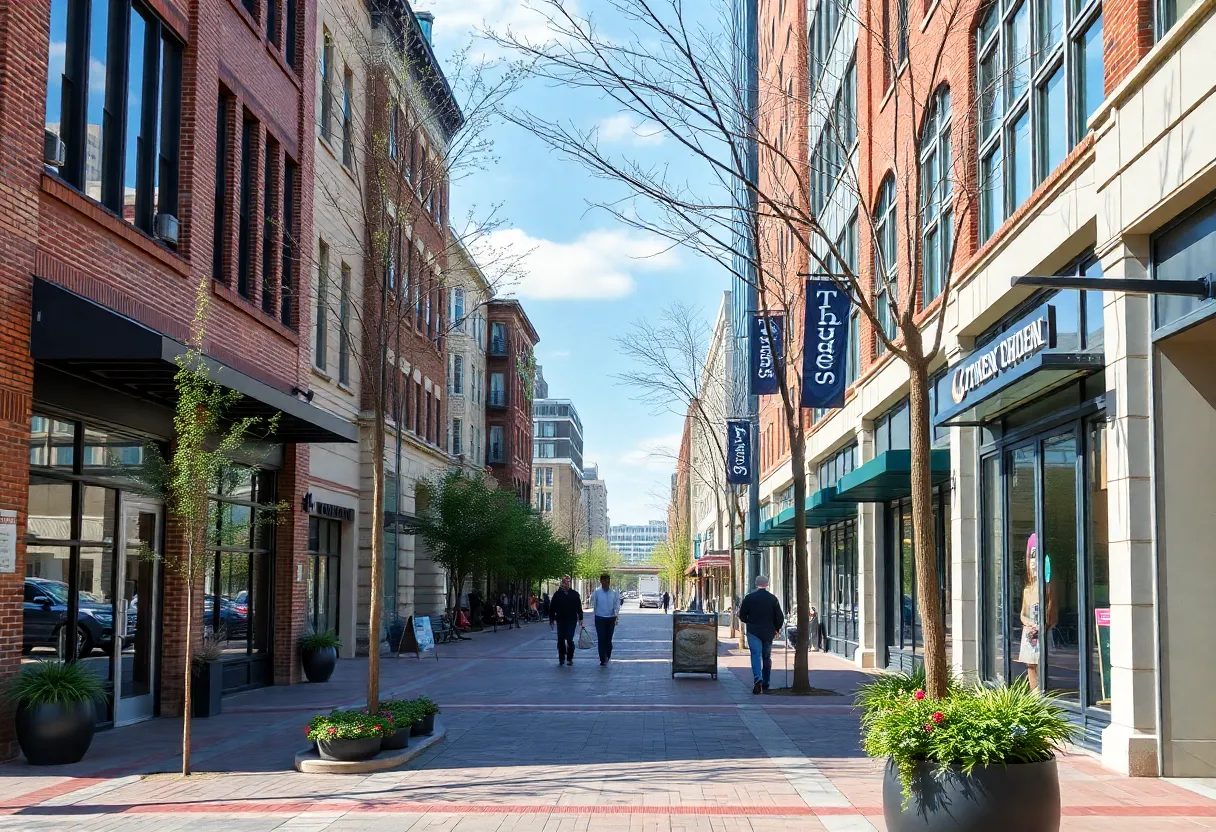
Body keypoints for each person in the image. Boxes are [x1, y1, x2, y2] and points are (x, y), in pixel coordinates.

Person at [1018, 533, 1055, 689]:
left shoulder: (1048, 588)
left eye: (1037, 558)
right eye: (1031, 558)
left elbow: (1052, 613)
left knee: (1041, 663)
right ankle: (1034, 694)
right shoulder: (1027, 589)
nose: (1034, 564)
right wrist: (1027, 623)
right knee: (1030, 665)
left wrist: (1043, 625)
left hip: (1041, 631)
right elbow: (1022, 613)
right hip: (1029, 632)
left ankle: (1042, 692)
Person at [738, 575, 784, 695]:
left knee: (755, 655)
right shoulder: (773, 599)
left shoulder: (749, 598)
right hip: (768, 632)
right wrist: (777, 628)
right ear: (767, 584)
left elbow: (742, 615)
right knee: (766, 657)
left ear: (756, 583)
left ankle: (758, 678)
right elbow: (780, 616)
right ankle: (766, 682)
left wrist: (749, 621)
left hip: (754, 631)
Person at [549, 576, 584, 666]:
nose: (566, 584)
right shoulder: (557, 595)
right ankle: (561, 657)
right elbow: (552, 607)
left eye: (568, 582)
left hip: (571, 620)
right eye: (564, 582)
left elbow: (579, 607)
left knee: (569, 638)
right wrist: (551, 619)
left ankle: (569, 657)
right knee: (560, 639)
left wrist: (580, 617)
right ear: (562, 583)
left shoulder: (574, 594)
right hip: (560, 620)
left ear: (570, 583)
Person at [590, 573, 622, 666]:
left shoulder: (613, 593)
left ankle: (607, 654)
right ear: (601, 581)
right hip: (600, 618)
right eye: (604, 581)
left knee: (608, 639)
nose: (606, 583)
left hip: (611, 618)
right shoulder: (597, 592)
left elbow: (617, 604)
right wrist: (595, 614)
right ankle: (602, 658)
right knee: (601, 638)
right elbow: (594, 604)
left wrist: (616, 614)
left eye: (608, 581)